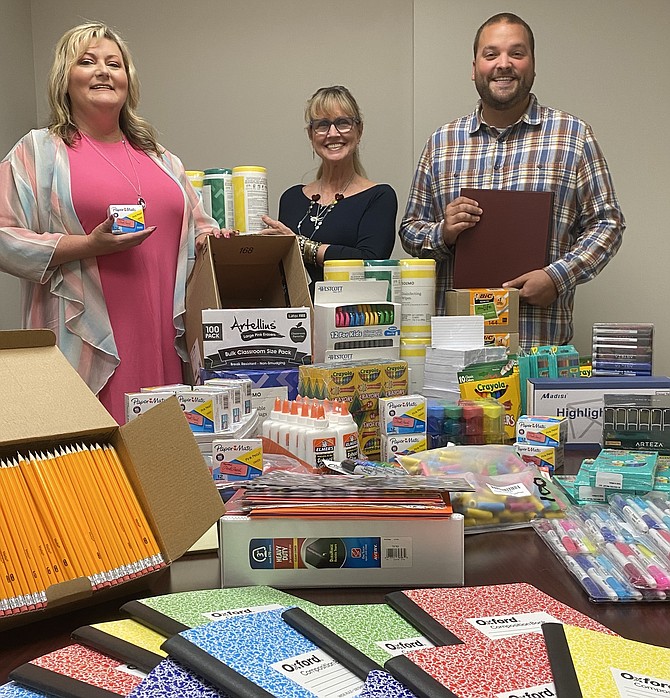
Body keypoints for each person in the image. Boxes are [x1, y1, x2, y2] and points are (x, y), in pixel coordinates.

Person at [0, 22, 221, 423]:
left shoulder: (162, 160)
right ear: (64, 80)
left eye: (113, 63)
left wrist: (219, 240)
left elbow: (198, 228)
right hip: (86, 343)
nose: (103, 71)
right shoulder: (39, 152)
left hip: (163, 340)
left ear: (128, 81)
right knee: (96, 467)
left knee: (164, 461)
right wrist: (88, 246)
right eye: (87, 61)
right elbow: (2, 236)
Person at [399, 12, 625, 350]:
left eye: (516, 53)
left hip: (538, 351)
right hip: (457, 350)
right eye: (491, 54)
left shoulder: (573, 137)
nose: (503, 64)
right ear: (474, 68)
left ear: (533, 66)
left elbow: (608, 223)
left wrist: (556, 277)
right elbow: (410, 230)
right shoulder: (442, 142)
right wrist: (443, 232)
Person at [261, 85, 397, 291]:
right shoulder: (291, 199)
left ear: (359, 131)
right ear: (311, 135)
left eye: (343, 123)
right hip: (302, 316)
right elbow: (285, 273)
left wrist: (300, 246)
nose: (332, 133)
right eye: (323, 125)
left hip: (355, 316)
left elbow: (369, 261)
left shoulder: (379, 197)